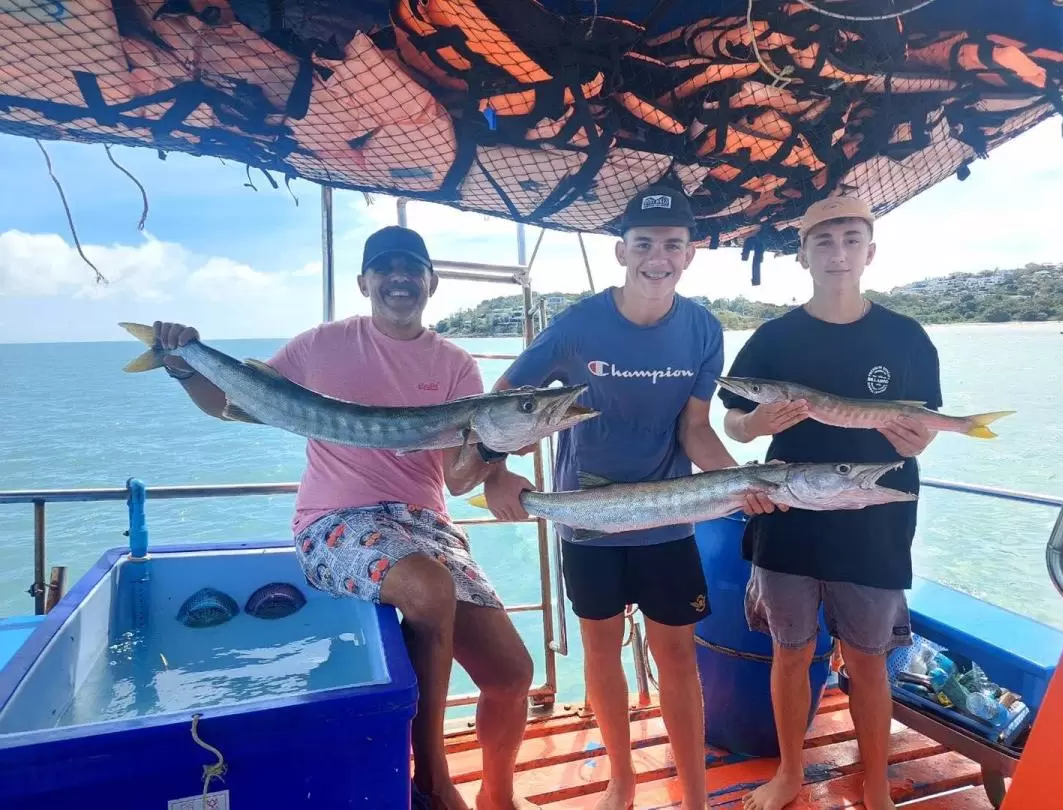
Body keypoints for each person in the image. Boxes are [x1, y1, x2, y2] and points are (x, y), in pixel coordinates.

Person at [152, 225, 539, 810]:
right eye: (385, 269)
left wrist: (495, 448)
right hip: (335, 519)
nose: (399, 278)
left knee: (512, 674)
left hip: (424, 524)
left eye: (412, 268)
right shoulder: (320, 346)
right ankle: (431, 781)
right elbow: (234, 405)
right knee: (429, 588)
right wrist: (185, 364)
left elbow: (458, 480)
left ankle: (499, 798)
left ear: (431, 282)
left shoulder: (456, 365)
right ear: (365, 283)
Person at [482, 184, 780, 810]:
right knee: (600, 651)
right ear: (622, 251)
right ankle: (622, 781)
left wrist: (742, 482)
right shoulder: (577, 326)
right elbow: (502, 402)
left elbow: (695, 429)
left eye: (673, 244)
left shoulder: (702, 330)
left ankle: (694, 794)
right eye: (644, 243)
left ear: (690, 254)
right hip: (586, 521)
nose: (658, 256)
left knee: (677, 657)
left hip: (668, 521)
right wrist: (496, 472)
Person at [719, 196, 942, 810]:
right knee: (790, 652)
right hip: (787, 516)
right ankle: (789, 772)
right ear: (802, 255)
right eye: (823, 241)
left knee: (869, 661)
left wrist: (918, 437)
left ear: (869, 252)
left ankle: (876, 786)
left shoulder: (907, 337)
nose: (837, 252)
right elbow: (734, 423)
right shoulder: (773, 338)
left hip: (877, 521)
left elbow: (922, 425)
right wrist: (755, 423)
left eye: (850, 239)